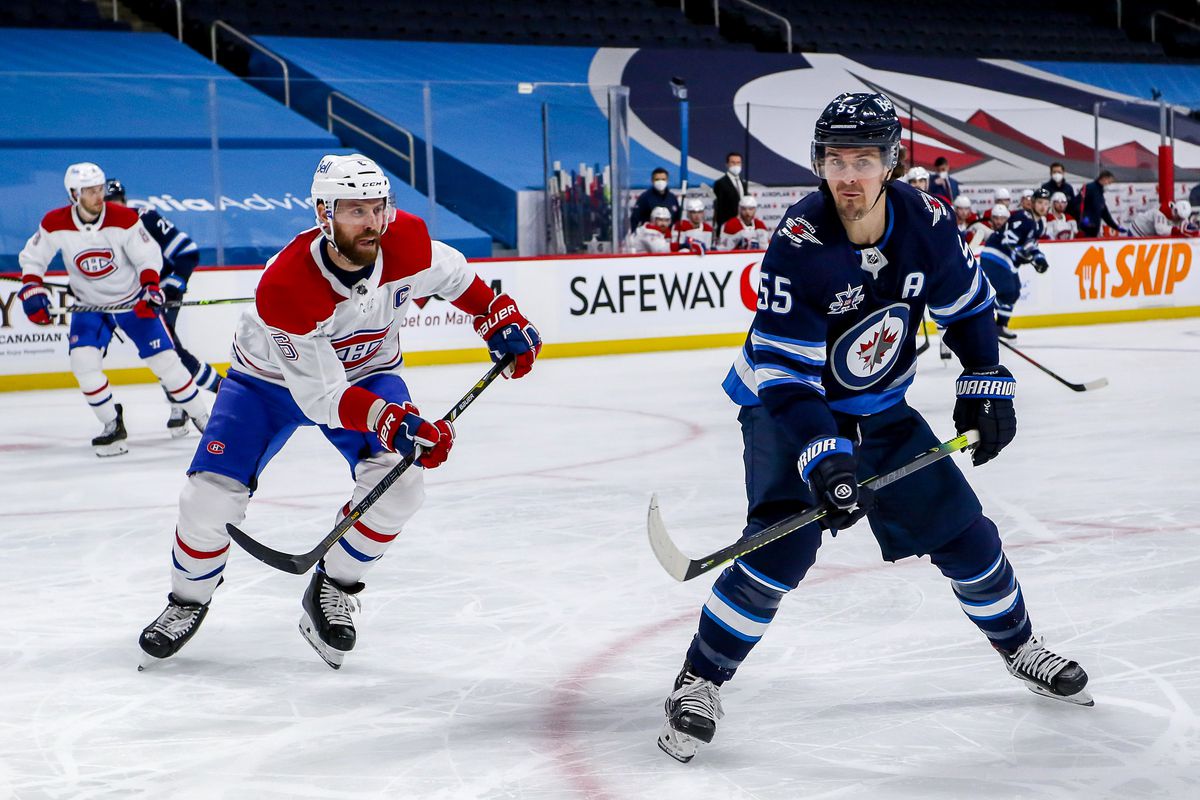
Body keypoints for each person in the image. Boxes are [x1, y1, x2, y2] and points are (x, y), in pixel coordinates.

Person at [656, 93, 1090, 764]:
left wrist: (984, 379)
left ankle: (1020, 647)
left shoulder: (928, 222)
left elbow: (968, 306)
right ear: (819, 166)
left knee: (966, 536)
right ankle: (699, 681)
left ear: (890, 163)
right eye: (835, 160)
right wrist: (825, 458)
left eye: (863, 159)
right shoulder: (799, 243)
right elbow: (786, 377)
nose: (848, 175)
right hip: (784, 403)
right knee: (782, 546)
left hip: (879, 402)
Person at [136, 154, 541, 670]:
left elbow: (454, 275)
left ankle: (332, 585)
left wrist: (495, 316)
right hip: (268, 383)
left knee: (401, 487)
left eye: (378, 208)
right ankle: (186, 601)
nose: (372, 222)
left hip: (369, 372)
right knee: (208, 497)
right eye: (355, 211)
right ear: (324, 215)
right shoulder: (287, 286)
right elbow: (322, 398)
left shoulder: (406, 240)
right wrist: (397, 422)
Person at [17, 162, 211, 457]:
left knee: (166, 363)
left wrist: (151, 287)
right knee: (83, 364)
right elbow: (34, 260)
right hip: (89, 307)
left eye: (99, 189)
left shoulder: (123, 218)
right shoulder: (54, 222)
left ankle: (203, 418)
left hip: (132, 302)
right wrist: (32, 289)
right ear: (73, 194)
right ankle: (111, 424)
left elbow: (148, 257)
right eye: (91, 191)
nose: (99, 196)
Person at [105, 179, 224, 435]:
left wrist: (168, 287)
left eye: (115, 203)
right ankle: (180, 403)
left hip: (161, 294)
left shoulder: (145, 219)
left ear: (124, 201)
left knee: (170, 351)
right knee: (161, 353)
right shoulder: (97, 233)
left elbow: (187, 252)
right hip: (137, 300)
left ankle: (222, 390)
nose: (112, 209)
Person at [979, 188, 1050, 340]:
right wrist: (1024, 255)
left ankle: (1000, 327)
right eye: (1039, 202)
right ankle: (985, 321)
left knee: (1015, 291)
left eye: (1045, 203)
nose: (1043, 206)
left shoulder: (1040, 224)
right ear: (1032, 203)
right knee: (1007, 290)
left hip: (1008, 261)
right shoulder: (1023, 218)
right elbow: (1008, 241)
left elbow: (1030, 245)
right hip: (995, 255)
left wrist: (1040, 259)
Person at [1073, 170, 1125, 238]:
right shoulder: (1089, 188)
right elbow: (1077, 204)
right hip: (1084, 230)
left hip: (1094, 231)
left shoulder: (1100, 194)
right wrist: (1084, 218)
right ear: (1104, 178)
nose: (1109, 185)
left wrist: (1116, 227)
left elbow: (1105, 214)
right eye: (1109, 182)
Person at [712, 152, 749, 232]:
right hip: (728, 226)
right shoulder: (720, 183)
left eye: (738, 163)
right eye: (733, 162)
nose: (736, 165)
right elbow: (719, 209)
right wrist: (721, 228)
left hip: (743, 225)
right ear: (727, 164)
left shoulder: (743, 183)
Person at [1126, 199, 1197, 238]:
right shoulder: (1161, 212)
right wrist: (1177, 230)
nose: (1180, 220)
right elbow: (1161, 230)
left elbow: (1184, 223)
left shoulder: (1178, 213)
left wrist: (1190, 227)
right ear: (1175, 211)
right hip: (1137, 231)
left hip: (1148, 235)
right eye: (1179, 217)